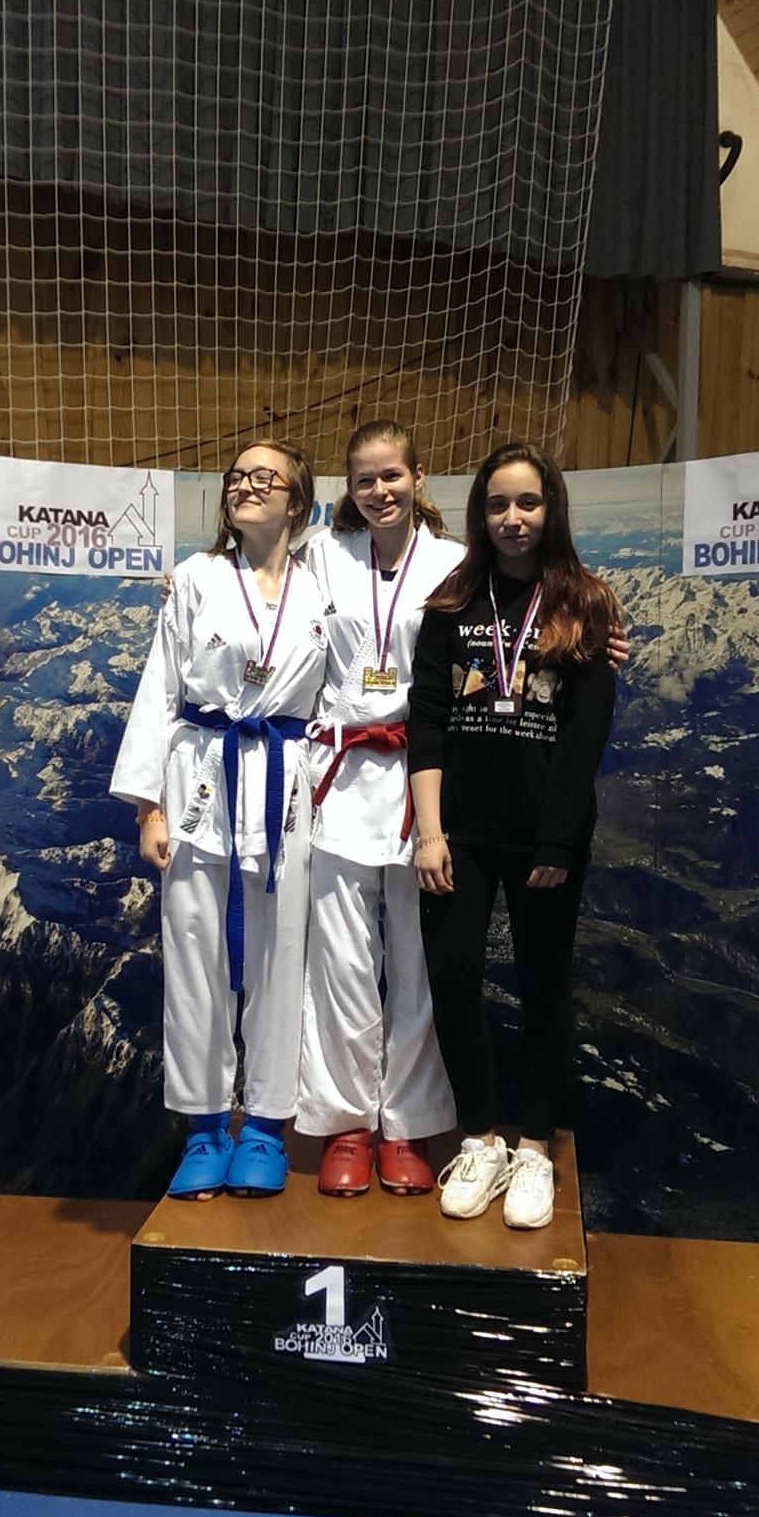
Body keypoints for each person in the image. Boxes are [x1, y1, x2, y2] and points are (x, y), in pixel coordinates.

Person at [408, 441, 622, 1230]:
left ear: (551, 507)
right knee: (453, 981)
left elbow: (587, 733)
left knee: (544, 987)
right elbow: (427, 721)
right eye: (498, 504)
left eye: (528, 502)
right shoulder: (451, 603)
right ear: (480, 513)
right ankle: (480, 1141)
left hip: (544, 837)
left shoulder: (586, 604)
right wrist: (429, 833)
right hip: (458, 832)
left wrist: (558, 841)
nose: (513, 518)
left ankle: (532, 1148)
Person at [111, 440, 326, 1199]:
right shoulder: (196, 577)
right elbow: (160, 689)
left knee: (281, 957)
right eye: (237, 477)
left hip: (284, 784)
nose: (246, 486)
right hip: (200, 778)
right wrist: (150, 806)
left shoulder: (323, 582)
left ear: (298, 502)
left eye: (266, 477)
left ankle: (265, 1126)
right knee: (195, 954)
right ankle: (204, 1127)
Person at [296, 421, 464, 1195]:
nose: (380, 490)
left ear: (418, 477)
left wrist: (598, 629)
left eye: (392, 475)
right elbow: (254, 584)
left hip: (423, 778)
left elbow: (527, 613)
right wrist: (185, 582)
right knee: (340, 960)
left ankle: (407, 1122)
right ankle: (347, 1123)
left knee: (419, 957)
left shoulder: (455, 563)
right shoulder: (323, 555)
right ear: (350, 489)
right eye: (364, 480)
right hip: (338, 774)